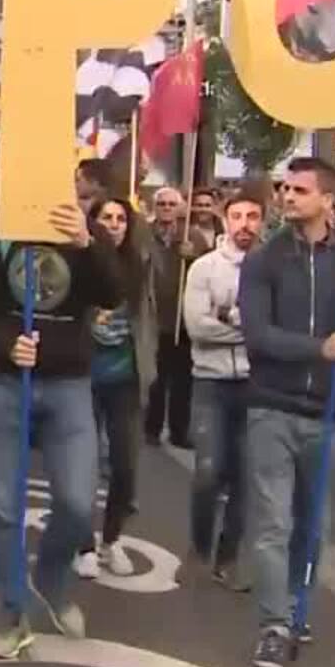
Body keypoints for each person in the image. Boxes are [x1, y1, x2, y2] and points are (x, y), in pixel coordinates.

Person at [239, 156, 335, 667]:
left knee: (313, 527)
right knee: (272, 524)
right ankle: (274, 624)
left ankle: (299, 608)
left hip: (329, 413)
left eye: (300, 190)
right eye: (284, 187)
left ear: (328, 199)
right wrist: (317, 349)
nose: (287, 196)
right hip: (272, 408)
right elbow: (257, 336)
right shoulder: (264, 259)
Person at [0, 197, 121, 659]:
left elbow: (112, 293)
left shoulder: (83, 228)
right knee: (4, 506)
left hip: (69, 385)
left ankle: (51, 578)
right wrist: (6, 345)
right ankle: (13, 614)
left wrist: (88, 243)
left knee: (76, 501)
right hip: (6, 384)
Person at [183, 189, 264, 588]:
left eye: (252, 216)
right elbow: (197, 327)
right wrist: (247, 328)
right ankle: (198, 549)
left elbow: (274, 330)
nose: (245, 224)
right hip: (211, 381)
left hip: (256, 383)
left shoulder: (270, 268)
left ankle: (227, 558)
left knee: (246, 477)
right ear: (225, 219)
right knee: (208, 471)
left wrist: (229, 319)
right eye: (237, 215)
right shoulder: (203, 268)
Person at [80, 197, 147, 578]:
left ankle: (111, 540)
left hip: (125, 379)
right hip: (82, 376)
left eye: (122, 218)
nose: (115, 225)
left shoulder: (140, 265)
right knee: (83, 465)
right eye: (107, 218)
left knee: (125, 465)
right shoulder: (82, 260)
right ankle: (83, 545)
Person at [143, 186, 195, 449]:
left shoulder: (191, 235)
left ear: (181, 208)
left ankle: (179, 430)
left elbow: (208, 268)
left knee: (183, 380)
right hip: (155, 317)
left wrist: (193, 254)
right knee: (156, 377)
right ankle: (151, 428)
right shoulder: (144, 235)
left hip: (183, 318)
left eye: (171, 204)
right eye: (161, 204)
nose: (166, 209)